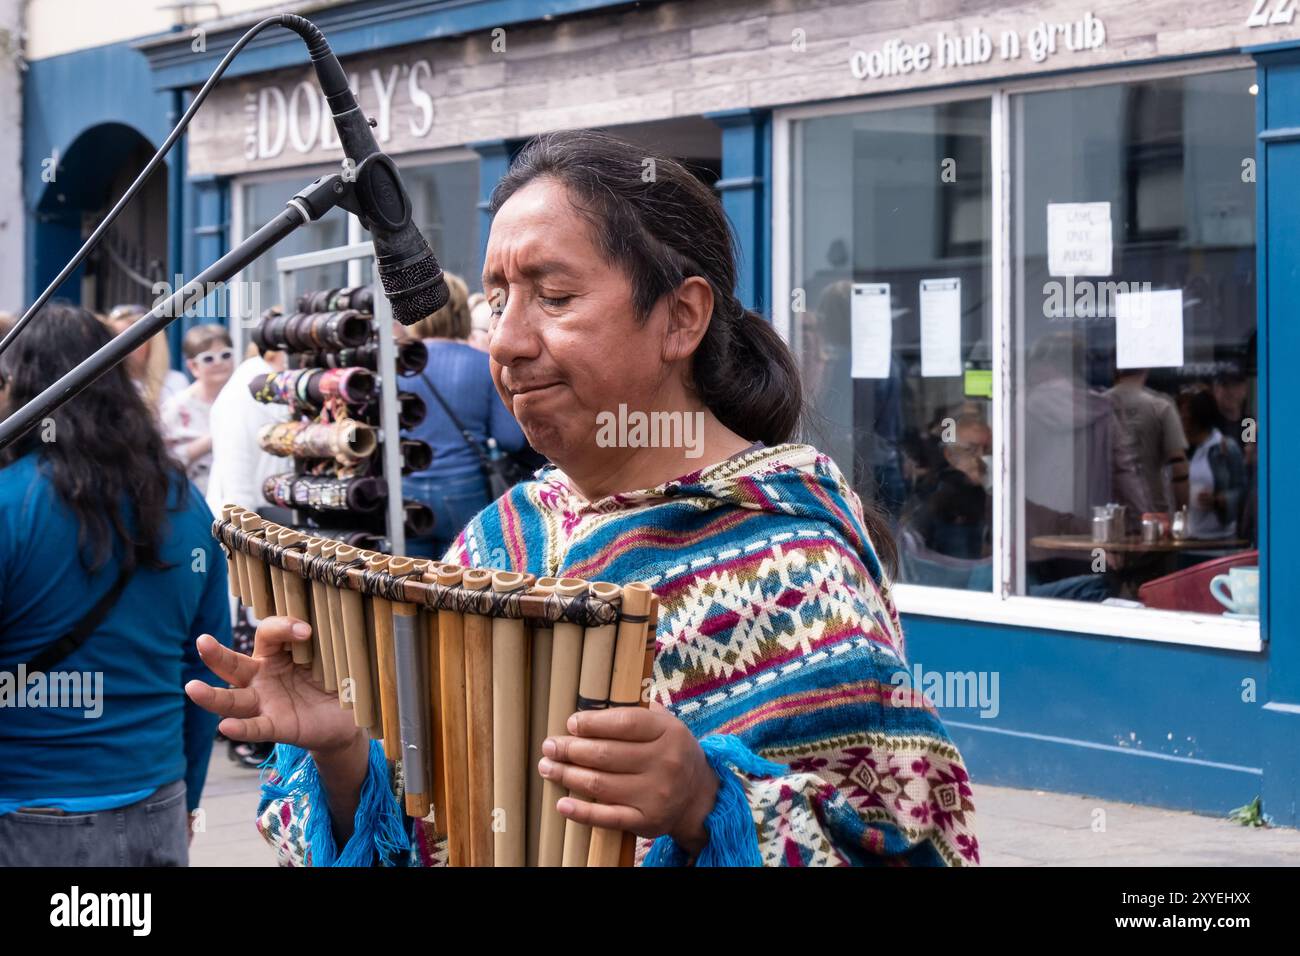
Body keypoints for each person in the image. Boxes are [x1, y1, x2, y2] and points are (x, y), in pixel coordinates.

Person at [187, 130, 979, 867]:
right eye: (498, 300)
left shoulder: (797, 570)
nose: (504, 340)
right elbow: (440, 829)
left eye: (554, 298)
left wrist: (707, 805)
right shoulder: (502, 543)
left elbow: (918, 850)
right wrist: (342, 754)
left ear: (681, 317)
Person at [0, 302, 232, 866]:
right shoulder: (183, 503)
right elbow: (207, 666)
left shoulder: (12, 502)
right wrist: (188, 797)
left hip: (29, 813)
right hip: (156, 803)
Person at [397, 272, 529, 559]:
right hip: (465, 491)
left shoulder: (396, 365)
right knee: (462, 588)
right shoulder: (483, 364)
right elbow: (510, 439)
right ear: (461, 314)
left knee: (406, 585)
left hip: (405, 493)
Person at [205, 337, 290, 769]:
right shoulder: (244, 389)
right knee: (250, 627)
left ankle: (262, 729)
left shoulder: (262, 383)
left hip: (265, 524)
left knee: (259, 626)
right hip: (251, 527)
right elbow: (237, 477)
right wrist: (245, 538)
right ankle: (248, 732)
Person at [160, 323, 236, 496]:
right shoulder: (176, 408)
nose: (219, 362)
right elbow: (164, 463)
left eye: (225, 355)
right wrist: (210, 440)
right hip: (193, 497)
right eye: (208, 358)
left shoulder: (241, 398)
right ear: (193, 366)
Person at [1105, 368, 1189, 515]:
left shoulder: (1097, 406)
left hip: (1108, 515)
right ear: (1146, 368)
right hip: (1154, 515)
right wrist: (1182, 515)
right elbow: (1179, 467)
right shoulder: (1161, 407)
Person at [1178, 386, 1245, 541]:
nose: (1182, 419)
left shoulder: (1226, 445)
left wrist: (1219, 500)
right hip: (1185, 538)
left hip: (1218, 540)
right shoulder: (1179, 449)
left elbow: (1242, 489)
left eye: (1186, 416)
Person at [105, 303, 190, 413]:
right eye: (115, 340)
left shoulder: (175, 382)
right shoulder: (105, 385)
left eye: (133, 341)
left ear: (153, 344)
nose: (123, 349)